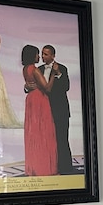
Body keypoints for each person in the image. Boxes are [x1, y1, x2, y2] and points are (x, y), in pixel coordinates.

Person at [21, 45, 58, 176]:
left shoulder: (25, 69)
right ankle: (44, 168)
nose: (39, 57)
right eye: (37, 54)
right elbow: (47, 88)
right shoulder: (35, 70)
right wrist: (53, 74)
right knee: (43, 133)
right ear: (32, 56)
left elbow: (29, 84)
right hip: (39, 101)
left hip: (31, 100)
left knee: (34, 133)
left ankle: (35, 168)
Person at [39, 45, 74, 174]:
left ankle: (65, 169)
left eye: (46, 54)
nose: (43, 56)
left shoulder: (62, 68)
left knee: (62, 140)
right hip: (44, 110)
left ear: (53, 56)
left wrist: (58, 73)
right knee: (46, 140)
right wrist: (26, 87)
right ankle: (49, 168)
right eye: (42, 54)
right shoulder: (39, 69)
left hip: (60, 111)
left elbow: (66, 87)